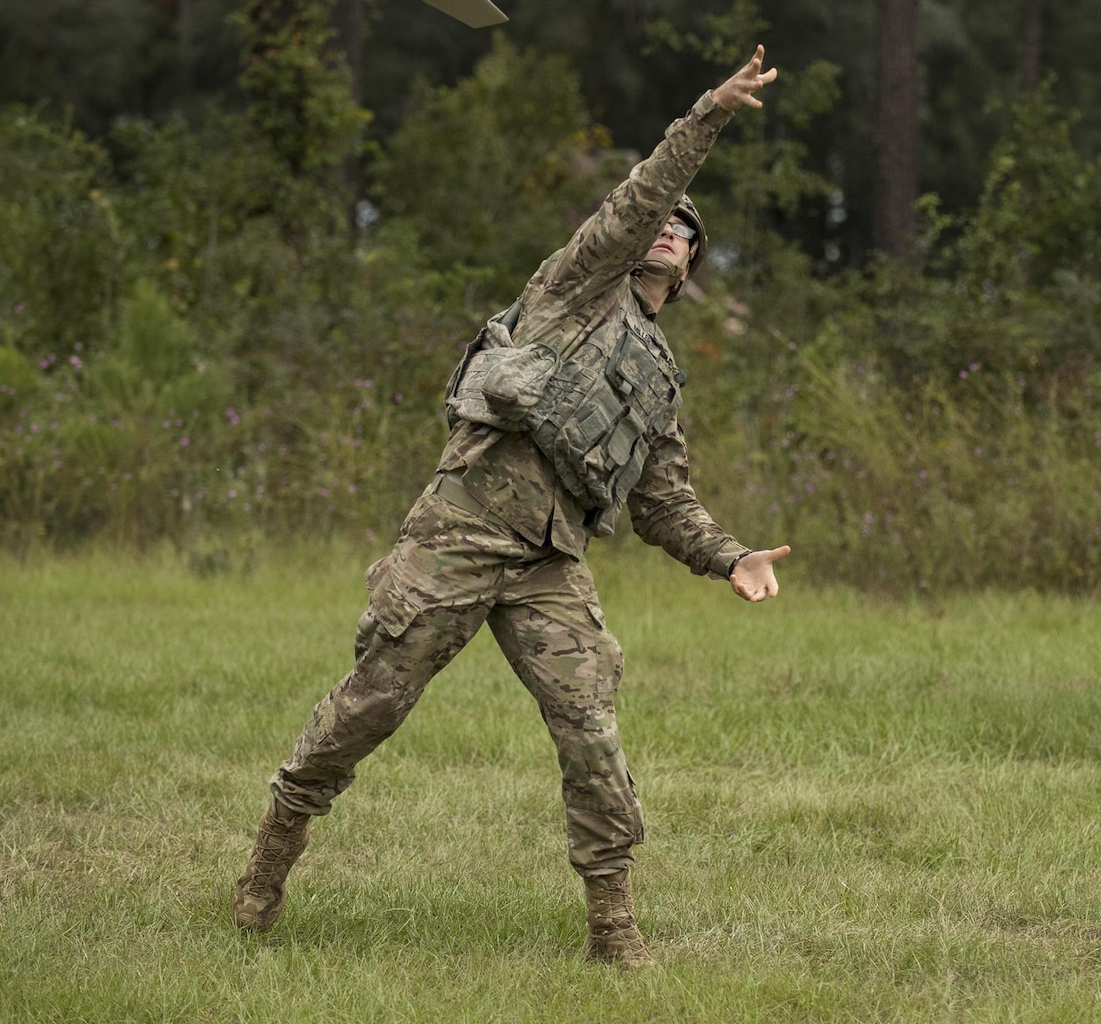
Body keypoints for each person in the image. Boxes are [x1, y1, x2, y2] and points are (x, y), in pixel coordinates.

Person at [234, 47, 793, 967]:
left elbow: (663, 500)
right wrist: (710, 113)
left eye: (685, 230)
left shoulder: (658, 379)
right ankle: (272, 853)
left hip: (547, 562)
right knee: (373, 700)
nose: (667, 228)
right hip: (461, 529)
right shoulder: (572, 287)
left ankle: (612, 927)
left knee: (592, 725)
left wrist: (729, 555)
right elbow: (640, 196)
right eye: (662, 219)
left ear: (691, 264)